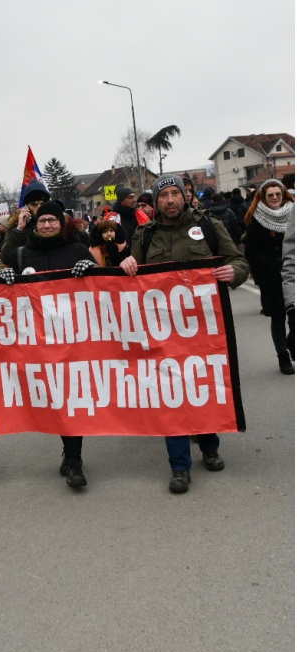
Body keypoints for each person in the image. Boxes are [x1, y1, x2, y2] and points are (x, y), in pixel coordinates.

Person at [118, 178, 249, 491]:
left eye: (175, 193)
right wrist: (125, 264)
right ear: (156, 201)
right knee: (171, 396)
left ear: (185, 196)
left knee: (201, 386)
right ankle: (179, 466)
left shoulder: (208, 226)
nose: (170, 199)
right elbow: (130, 275)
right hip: (162, 332)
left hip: (204, 330)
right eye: (163, 195)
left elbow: (238, 260)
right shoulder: (144, 235)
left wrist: (235, 273)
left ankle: (209, 445)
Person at [0, 202, 96, 487]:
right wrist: (6, 277)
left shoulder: (76, 250)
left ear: (61, 223)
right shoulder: (22, 252)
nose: (47, 225)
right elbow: (5, 286)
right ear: (35, 224)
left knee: (71, 398)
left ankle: (74, 460)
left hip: (71, 340)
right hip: (35, 343)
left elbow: (100, 285)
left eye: (52, 220)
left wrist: (90, 268)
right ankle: (69, 452)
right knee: (51, 398)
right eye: (42, 221)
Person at [244, 180, 293, 374]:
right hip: (271, 277)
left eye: (277, 194)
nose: (274, 198)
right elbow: (251, 250)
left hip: (293, 274)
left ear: (283, 195)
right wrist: (267, 268)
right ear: (263, 197)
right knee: (278, 317)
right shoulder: (255, 217)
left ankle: (292, 341)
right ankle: (283, 358)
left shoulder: (294, 213)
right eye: (270, 195)